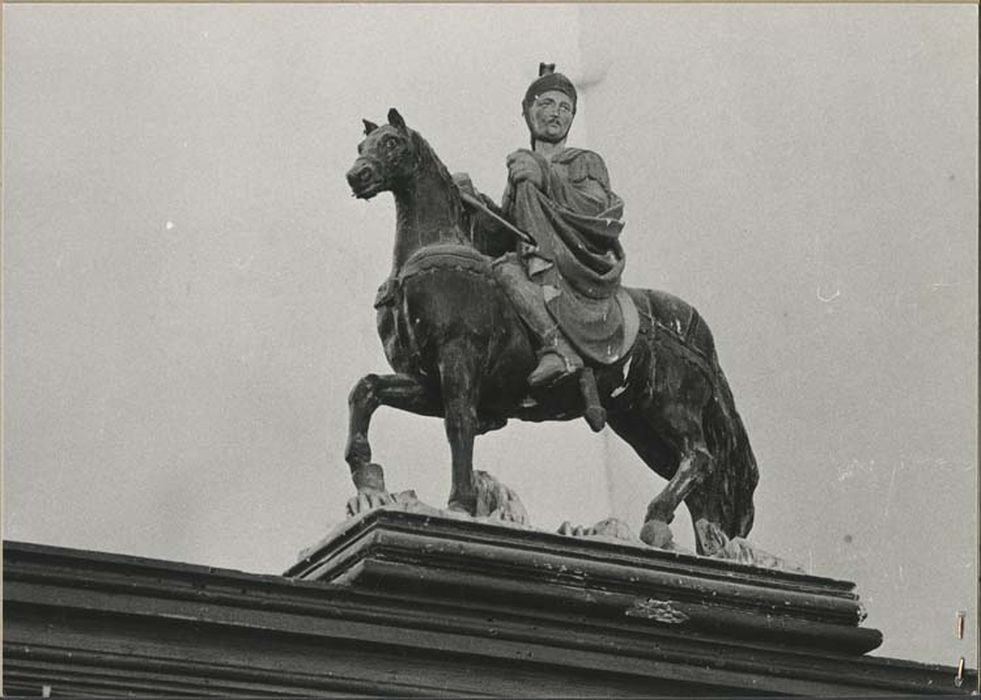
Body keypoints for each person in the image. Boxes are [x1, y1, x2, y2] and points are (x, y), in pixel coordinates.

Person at [488, 63, 633, 388]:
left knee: (507, 271)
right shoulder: (520, 169)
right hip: (530, 253)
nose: (556, 113)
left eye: (565, 107)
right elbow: (507, 230)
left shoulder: (584, 160)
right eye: (547, 104)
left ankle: (560, 349)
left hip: (574, 259)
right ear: (527, 111)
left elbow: (596, 207)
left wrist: (545, 175)